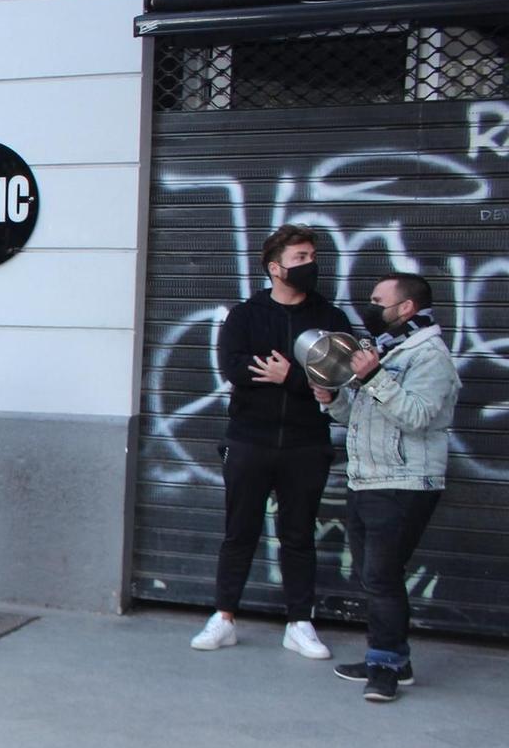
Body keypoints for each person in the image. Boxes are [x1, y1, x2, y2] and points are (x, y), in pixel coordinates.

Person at [191, 225, 357, 657]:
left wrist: (290, 378)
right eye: (300, 257)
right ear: (275, 268)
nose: (310, 264)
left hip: (306, 443)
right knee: (239, 532)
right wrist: (303, 381)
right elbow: (234, 367)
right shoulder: (245, 316)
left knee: (299, 535)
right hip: (249, 440)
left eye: (311, 256)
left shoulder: (329, 318)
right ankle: (223, 617)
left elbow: (339, 377)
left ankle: (299, 623)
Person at [314, 273, 461, 704]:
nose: (370, 307)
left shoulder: (431, 357)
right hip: (369, 479)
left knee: (380, 577)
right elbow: (363, 417)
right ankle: (394, 656)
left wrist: (375, 375)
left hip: (405, 482)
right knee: (375, 576)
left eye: (379, 301)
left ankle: (384, 668)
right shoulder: (391, 350)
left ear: (406, 308)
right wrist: (333, 400)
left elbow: (416, 417)